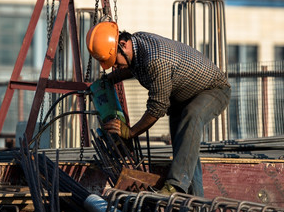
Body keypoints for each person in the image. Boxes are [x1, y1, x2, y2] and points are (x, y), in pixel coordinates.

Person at [86, 21, 231, 197]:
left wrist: (131, 132)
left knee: (193, 115)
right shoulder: (137, 44)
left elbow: (157, 107)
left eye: (114, 61)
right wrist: (109, 80)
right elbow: (132, 68)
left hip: (213, 90)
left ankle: (175, 186)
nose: (115, 66)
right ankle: (195, 206)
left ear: (123, 45)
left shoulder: (156, 60)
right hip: (182, 99)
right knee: (185, 149)